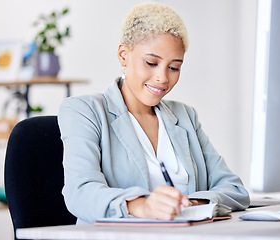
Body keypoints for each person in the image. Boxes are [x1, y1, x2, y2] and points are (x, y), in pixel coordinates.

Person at [58, 2, 250, 224]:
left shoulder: (186, 116)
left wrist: (194, 203)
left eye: (174, 67)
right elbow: (80, 193)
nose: (163, 78)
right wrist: (141, 205)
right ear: (123, 55)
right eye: (151, 62)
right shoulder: (84, 111)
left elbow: (234, 189)